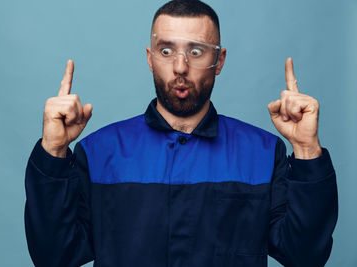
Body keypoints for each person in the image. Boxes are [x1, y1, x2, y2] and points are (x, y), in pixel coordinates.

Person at [24, 1, 338, 266]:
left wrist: (307, 149)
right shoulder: (98, 152)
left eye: (197, 52)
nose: (180, 67)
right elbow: (54, 256)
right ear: (150, 58)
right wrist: (52, 152)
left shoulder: (264, 152)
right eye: (166, 50)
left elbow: (305, 256)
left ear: (219, 60)